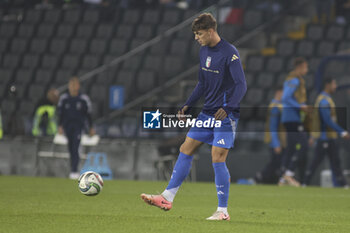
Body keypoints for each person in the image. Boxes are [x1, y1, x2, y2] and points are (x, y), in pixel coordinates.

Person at [141, 13, 247, 221]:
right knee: (185, 148)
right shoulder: (203, 51)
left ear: (210, 31)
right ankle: (167, 197)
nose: (196, 38)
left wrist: (229, 106)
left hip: (224, 115)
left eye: (199, 34)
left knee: (217, 157)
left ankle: (223, 211)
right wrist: (188, 104)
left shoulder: (230, 53)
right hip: (207, 112)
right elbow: (202, 83)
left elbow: (241, 85)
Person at [303, 78, 350, 187]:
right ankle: (305, 183)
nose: (335, 86)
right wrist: (342, 132)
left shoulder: (327, 99)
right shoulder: (323, 100)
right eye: (334, 84)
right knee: (316, 162)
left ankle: (343, 184)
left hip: (330, 137)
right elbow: (327, 120)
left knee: (335, 162)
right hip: (324, 137)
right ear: (327, 85)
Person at [279, 57, 309, 187]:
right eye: (305, 67)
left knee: (291, 148)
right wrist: (300, 106)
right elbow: (285, 98)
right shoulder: (294, 80)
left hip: (291, 118)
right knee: (304, 144)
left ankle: (283, 179)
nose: (307, 70)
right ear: (300, 67)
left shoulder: (292, 79)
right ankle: (289, 173)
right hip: (292, 118)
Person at [57, 77, 95, 179]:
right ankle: (73, 169)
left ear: (78, 86)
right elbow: (60, 114)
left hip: (78, 127)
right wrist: (60, 126)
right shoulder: (64, 99)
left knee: (76, 147)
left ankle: (74, 171)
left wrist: (91, 127)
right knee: (70, 148)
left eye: (74, 85)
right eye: (71, 85)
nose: (73, 87)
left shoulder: (83, 99)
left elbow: (89, 115)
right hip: (67, 127)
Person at [255, 87, 286, 184]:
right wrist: (276, 143)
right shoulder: (275, 106)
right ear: (279, 92)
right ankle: (260, 177)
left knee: (276, 163)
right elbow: (272, 127)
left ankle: (265, 179)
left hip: (280, 141)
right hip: (276, 141)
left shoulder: (280, 106)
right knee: (275, 163)